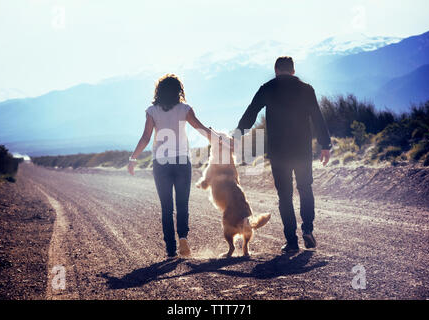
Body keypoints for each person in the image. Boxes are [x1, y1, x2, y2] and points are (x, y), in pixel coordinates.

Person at [235, 56, 331, 254]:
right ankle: (308, 228)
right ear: (293, 71)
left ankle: (292, 241)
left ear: (276, 70)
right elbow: (318, 117)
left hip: (279, 151)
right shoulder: (306, 89)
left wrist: (237, 135)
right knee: (305, 188)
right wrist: (325, 144)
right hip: (302, 149)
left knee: (285, 195)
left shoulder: (267, 88)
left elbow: (251, 112)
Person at [128, 74, 218, 259]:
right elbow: (201, 129)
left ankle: (170, 249)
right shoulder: (184, 109)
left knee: (166, 207)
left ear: (158, 91)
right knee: (183, 204)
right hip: (182, 161)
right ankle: (183, 237)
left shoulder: (152, 111)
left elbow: (145, 137)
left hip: (161, 163)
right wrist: (221, 141)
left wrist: (133, 158)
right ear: (179, 90)